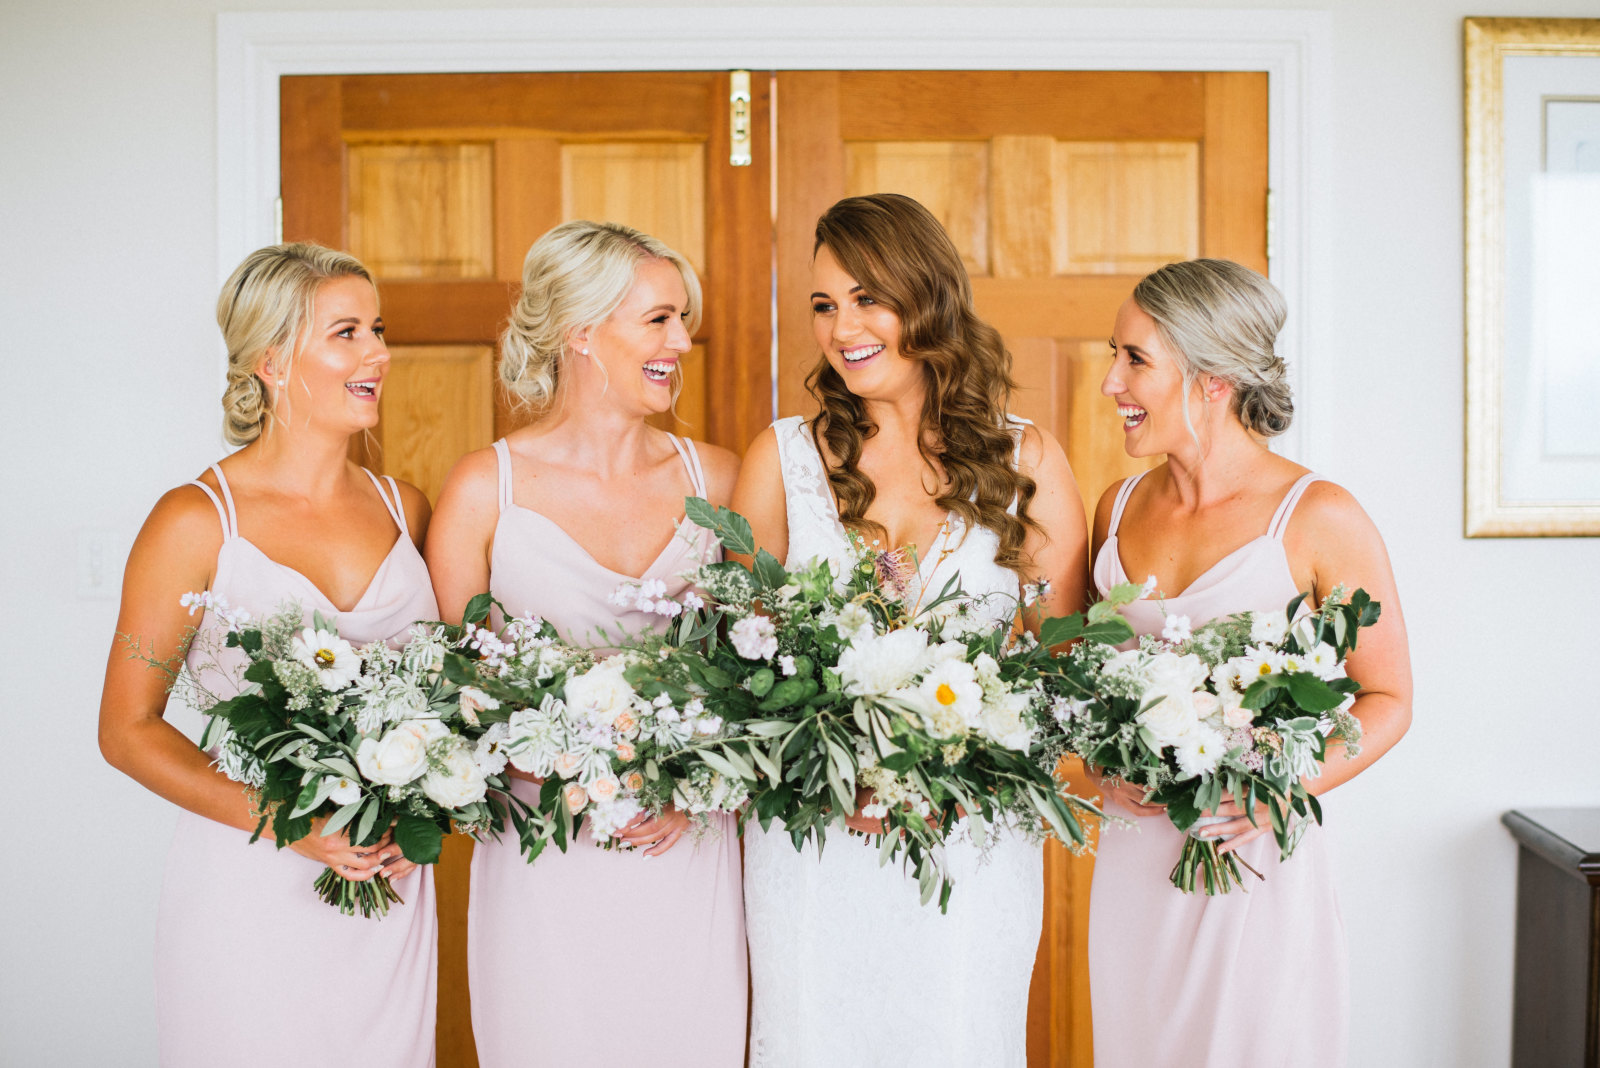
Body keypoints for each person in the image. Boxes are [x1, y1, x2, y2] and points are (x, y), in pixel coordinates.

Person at [734, 193, 1089, 1067]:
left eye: (869, 299)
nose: (842, 328)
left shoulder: (1025, 460)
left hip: (968, 845)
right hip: (815, 843)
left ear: (928, 299)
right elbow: (740, 666)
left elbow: (1065, 671)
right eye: (824, 304)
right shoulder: (781, 460)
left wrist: (963, 770)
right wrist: (829, 766)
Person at [98, 243, 438, 1066]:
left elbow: (448, 694)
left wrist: (426, 804)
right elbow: (126, 730)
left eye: (378, 330)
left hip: (386, 885)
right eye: (347, 333)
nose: (378, 353)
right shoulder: (194, 521)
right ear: (272, 362)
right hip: (249, 882)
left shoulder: (408, 508)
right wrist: (294, 825)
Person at [426, 220, 745, 1067]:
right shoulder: (483, 490)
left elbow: (760, 669)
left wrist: (696, 786)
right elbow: (453, 693)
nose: (682, 342)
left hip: (684, 851)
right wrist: (566, 766)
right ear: (580, 331)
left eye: (682, 320)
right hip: (545, 859)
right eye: (658, 320)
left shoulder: (719, 480)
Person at [1088, 258, 1412, 1067]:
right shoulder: (1115, 508)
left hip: (1251, 858)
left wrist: (1280, 791)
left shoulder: (1318, 516)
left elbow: (1389, 696)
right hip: (1135, 863)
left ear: (1214, 380)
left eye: (1135, 359)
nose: (1110, 383)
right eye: (1114, 355)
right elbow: (1083, 683)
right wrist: (1099, 762)